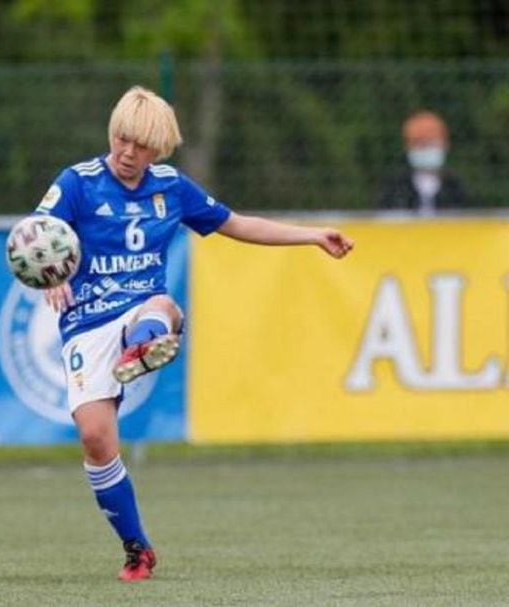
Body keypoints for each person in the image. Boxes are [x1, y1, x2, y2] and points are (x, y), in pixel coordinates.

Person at [31, 86, 354, 582]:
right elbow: (37, 234)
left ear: (158, 149)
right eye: (121, 139)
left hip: (141, 305)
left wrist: (311, 235)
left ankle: (149, 340)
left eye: (140, 146)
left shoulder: (172, 187)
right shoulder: (78, 182)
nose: (127, 152)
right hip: (88, 323)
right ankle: (137, 547)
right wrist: (55, 275)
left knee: (162, 306)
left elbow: (238, 223)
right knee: (96, 440)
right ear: (111, 132)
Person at [377, 110, 468, 215]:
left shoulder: (457, 187)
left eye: (431, 142)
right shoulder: (393, 187)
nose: (425, 147)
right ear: (407, 146)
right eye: (418, 142)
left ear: (445, 143)